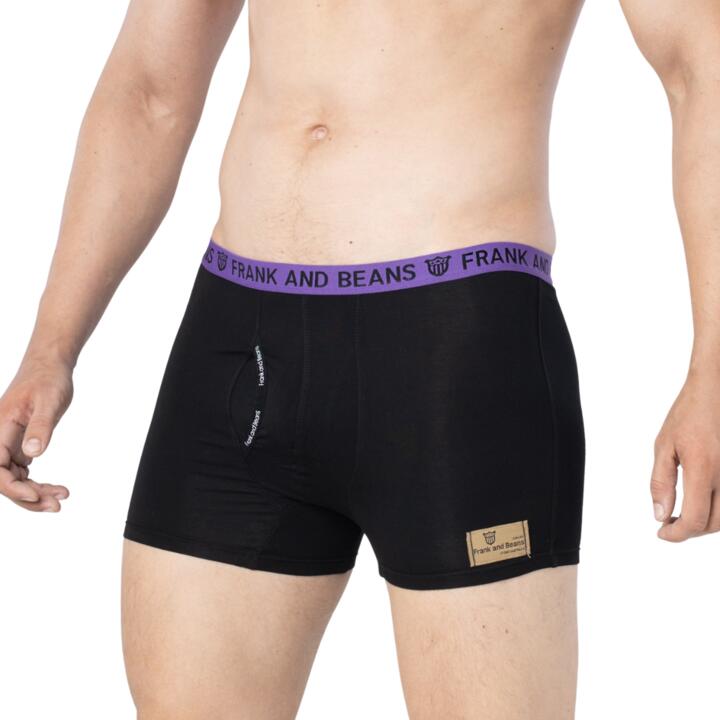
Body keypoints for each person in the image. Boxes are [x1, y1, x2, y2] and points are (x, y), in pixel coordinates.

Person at [1, 1, 719, 718]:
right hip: (239, 341)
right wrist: (51, 347)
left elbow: (701, 65)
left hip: (454, 352)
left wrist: (713, 371)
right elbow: (149, 91)